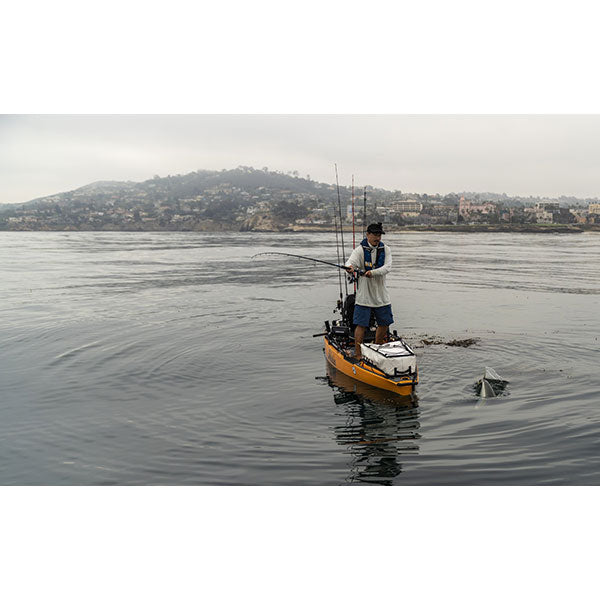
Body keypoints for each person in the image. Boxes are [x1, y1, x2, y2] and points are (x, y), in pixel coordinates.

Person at [345, 222, 393, 360]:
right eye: (375, 235)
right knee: (361, 325)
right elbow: (349, 263)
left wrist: (372, 273)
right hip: (364, 296)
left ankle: (376, 348)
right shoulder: (359, 250)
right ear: (367, 234)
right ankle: (358, 354)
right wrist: (350, 268)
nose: (378, 238)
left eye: (379, 235)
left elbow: (387, 268)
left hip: (381, 294)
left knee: (385, 323)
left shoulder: (386, 249)